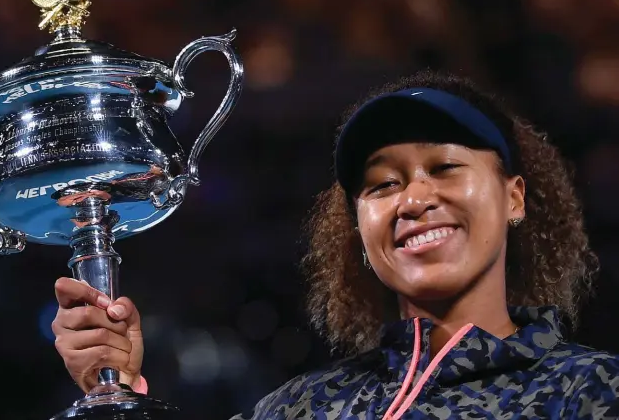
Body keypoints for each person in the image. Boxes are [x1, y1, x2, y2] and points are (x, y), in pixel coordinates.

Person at [51, 70, 619, 419]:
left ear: (514, 198)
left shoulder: (590, 391)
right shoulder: (299, 409)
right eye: (383, 184)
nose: (413, 199)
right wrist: (119, 393)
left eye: (445, 167)